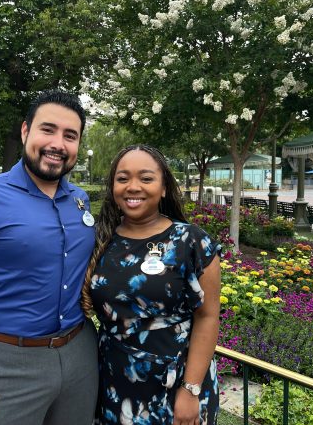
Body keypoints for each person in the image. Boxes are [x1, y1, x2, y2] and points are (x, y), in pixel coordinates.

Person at [0, 90, 98, 425]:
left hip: (80, 356)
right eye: (47, 130)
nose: (58, 143)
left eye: (70, 136)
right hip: (7, 364)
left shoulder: (80, 200)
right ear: (26, 131)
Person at [82, 145, 221, 425]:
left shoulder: (192, 242)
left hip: (177, 386)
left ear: (164, 187)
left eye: (146, 178)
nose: (133, 187)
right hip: (113, 384)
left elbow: (207, 316)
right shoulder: (98, 239)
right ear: (112, 188)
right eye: (123, 179)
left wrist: (191, 390)